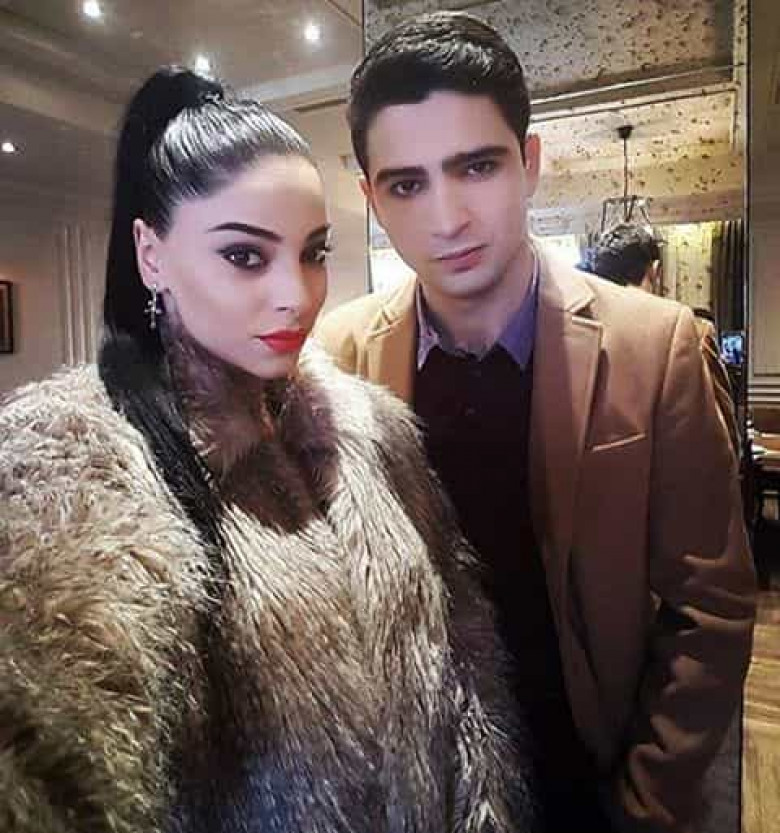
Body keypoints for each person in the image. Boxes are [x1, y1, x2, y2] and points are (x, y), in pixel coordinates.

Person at [0, 67, 537, 833]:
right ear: (151, 254)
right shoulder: (80, 465)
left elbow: (467, 674)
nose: (297, 294)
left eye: (313, 253)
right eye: (246, 256)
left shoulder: (370, 429)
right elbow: (45, 739)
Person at [315, 12, 757, 833]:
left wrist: (645, 803)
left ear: (530, 162)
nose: (446, 217)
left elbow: (711, 605)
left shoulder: (655, 344)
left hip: (591, 778)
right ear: (372, 198)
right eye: (407, 184)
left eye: (476, 166)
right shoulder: (335, 355)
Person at [583, 223, 741, 457]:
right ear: (655, 271)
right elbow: (724, 442)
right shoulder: (693, 331)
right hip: (680, 474)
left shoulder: (583, 337)